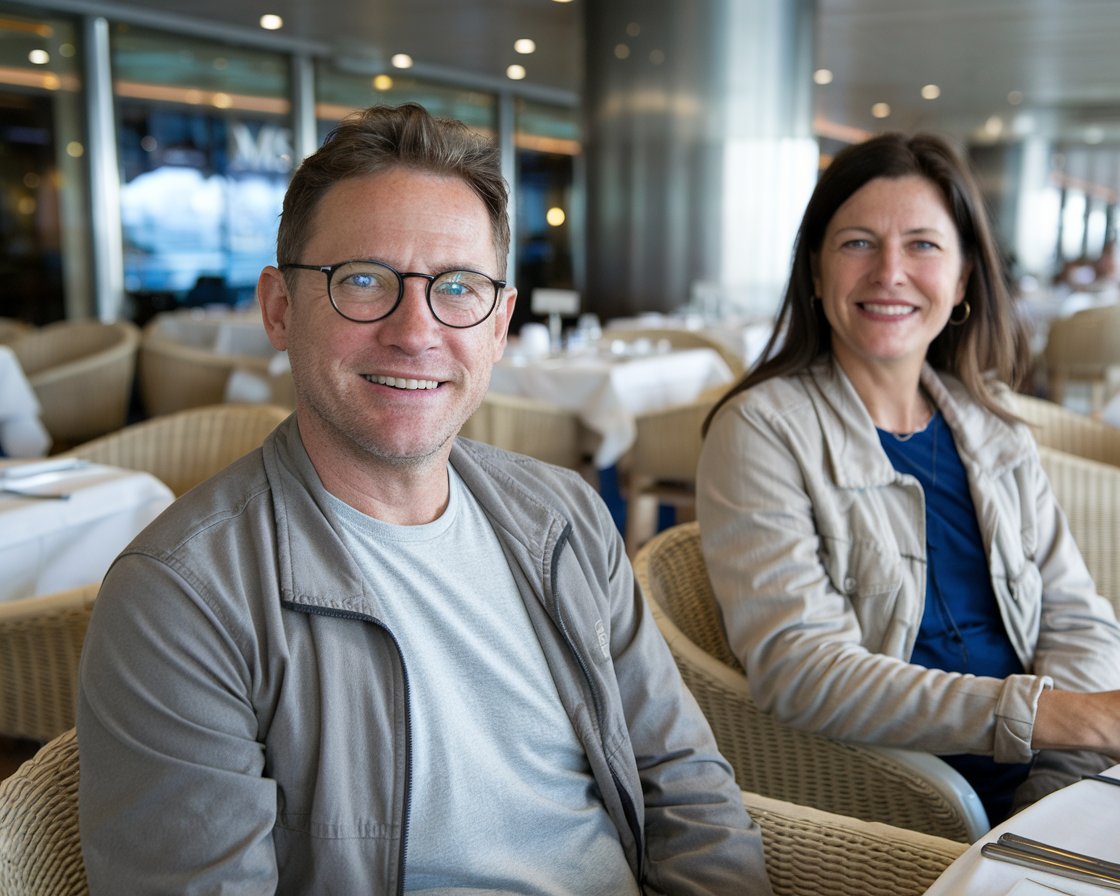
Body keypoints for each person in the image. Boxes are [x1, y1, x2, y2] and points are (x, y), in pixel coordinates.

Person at [76, 103, 771, 894]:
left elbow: (685, 784)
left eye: (458, 287)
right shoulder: (184, 597)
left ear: (500, 323)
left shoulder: (564, 518)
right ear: (279, 308)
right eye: (363, 281)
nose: (416, 331)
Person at [696, 131, 1120, 827]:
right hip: (908, 792)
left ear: (961, 281)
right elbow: (802, 669)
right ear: (814, 271)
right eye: (858, 242)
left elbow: (1077, 614)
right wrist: (1063, 719)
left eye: (923, 244)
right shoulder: (762, 430)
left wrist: (1056, 786)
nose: (890, 272)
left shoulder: (994, 425)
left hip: (1052, 771)